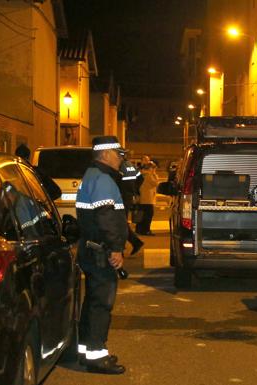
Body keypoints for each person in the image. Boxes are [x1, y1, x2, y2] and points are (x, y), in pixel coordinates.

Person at [75, 136, 127, 374]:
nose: (121, 159)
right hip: (100, 251)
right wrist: (116, 248)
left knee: (92, 302)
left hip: (91, 248)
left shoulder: (92, 176)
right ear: (106, 154)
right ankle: (97, 357)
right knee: (101, 304)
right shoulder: (104, 180)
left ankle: (87, 351)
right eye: (119, 154)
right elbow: (106, 217)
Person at [119, 158, 144, 256]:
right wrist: (134, 190)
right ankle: (134, 242)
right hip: (128, 196)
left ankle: (129, 244)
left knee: (119, 222)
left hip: (120, 197)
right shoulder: (130, 165)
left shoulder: (119, 166)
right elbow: (141, 178)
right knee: (121, 222)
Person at [136, 155, 159, 236]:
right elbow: (155, 183)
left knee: (143, 214)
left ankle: (139, 230)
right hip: (148, 199)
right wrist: (154, 173)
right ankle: (146, 230)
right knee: (148, 215)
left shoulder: (143, 174)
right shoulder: (149, 175)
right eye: (153, 168)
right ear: (150, 168)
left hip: (144, 197)